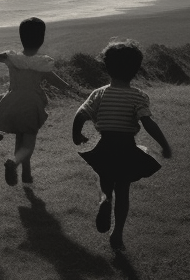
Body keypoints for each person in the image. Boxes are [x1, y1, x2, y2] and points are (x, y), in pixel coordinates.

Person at [72, 41, 173, 250]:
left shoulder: (99, 93)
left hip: (105, 145)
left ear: (106, 67)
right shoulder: (138, 96)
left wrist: (77, 135)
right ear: (136, 69)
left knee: (104, 179)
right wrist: (164, 144)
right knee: (123, 189)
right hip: (127, 147)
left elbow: (81, 114)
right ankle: (117, 233)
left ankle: (104, 201)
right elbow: (148, 123)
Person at [0, 17, 75, 186]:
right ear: (41, 39)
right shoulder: (42, 62)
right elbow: (57, 82)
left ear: (21, 37)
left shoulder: (11, 57)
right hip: (31, 104)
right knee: (28, 143)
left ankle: (26, 175)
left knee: (20, 138)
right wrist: (72, 88)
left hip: (11, 101)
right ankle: (13, 162)